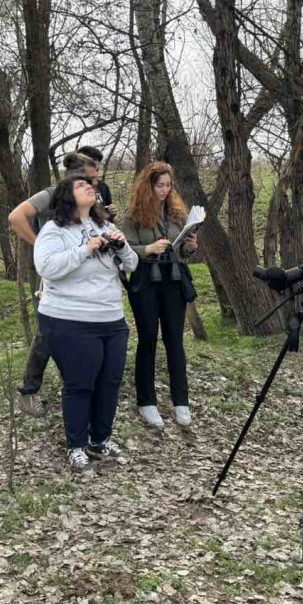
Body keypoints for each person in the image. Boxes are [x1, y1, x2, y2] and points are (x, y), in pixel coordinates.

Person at [33, 175, 138, 470]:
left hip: (111, 318)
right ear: (66, 196)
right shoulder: (54, 230)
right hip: (70, 319)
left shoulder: (106, 226)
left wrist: (121, 247)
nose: (89, 187)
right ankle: (76, 445)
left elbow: (132, 264)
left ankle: (100, 439)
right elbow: (46, 267)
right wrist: (85, 249)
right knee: (80, 384)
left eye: (89, 185)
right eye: (80, 185)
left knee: (110, 382)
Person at [8, 152, 109, 416]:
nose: (95, 183)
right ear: (75, 176)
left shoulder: (92, 195)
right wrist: (41, 244)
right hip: (53, 272)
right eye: (90, 178)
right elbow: (16, 217)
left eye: (96, 178)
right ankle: (28, 391)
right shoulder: (51, 194)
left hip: (82, 272)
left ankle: (80, 384)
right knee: (48, 333)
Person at [120, 162, 198, 430]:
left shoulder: (176, 213)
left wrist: (190, 247)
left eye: (168, 185)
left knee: (175, 340)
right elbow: (124, 250)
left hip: (174, 279)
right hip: (146, 281)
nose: (164, 190)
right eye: (159, 185)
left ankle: (181, 401)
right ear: (148, 186)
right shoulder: (133, 216)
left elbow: (182, 251)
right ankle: (146, 401)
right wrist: (148, 249)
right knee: (148, 339)